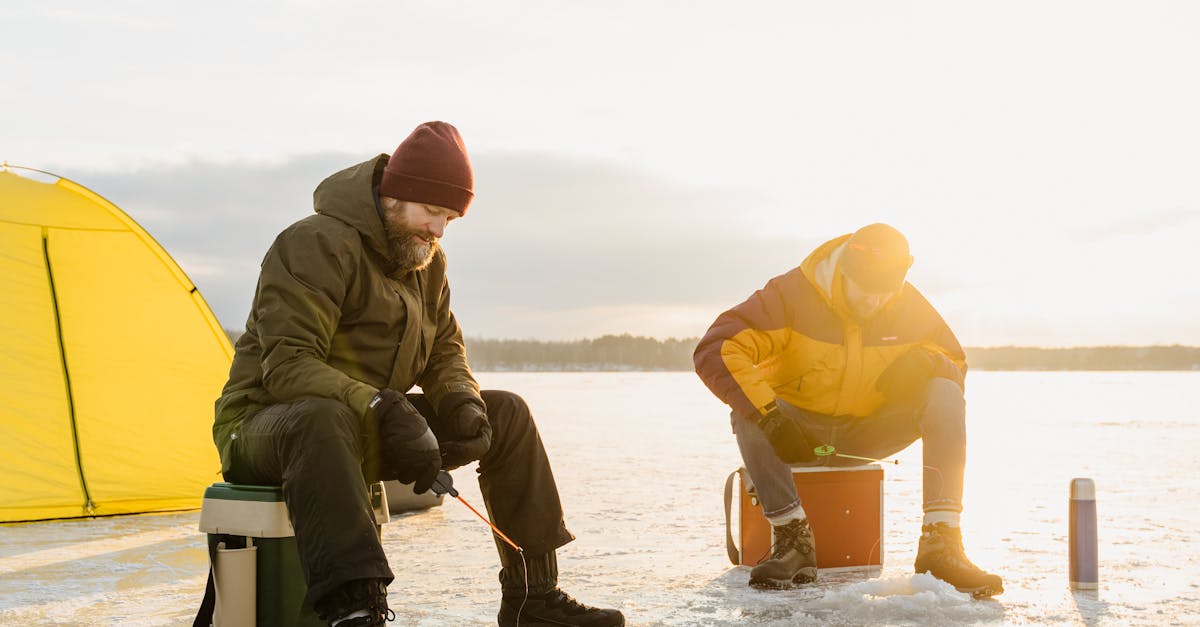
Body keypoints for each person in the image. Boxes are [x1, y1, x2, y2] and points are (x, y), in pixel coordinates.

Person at [212, 121, 625, 626]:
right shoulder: (313, 244)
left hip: (363, 423)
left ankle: (532, 600)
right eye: (433, 211)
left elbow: (443, 348)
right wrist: (382, 406)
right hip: (265, 426)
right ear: (394, 195)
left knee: (507, 414)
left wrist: (460, 403)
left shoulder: (428, 263)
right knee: (323, 418)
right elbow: (289, 366)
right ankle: (356, 612)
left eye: (450, 218)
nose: (439, 229)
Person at [692, 223, 1003, 598]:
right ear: (844, 273)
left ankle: (942, 542)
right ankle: (793, 539)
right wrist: (772, 419)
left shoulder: (908, 304)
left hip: (870, 432)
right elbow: (717, 346)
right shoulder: (791, 295)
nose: (875, 302)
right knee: (746, 408)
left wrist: (926, 362)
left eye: (885, 293)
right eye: (866, 291)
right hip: (798, 432)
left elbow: (953, 359)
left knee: (945, 389)